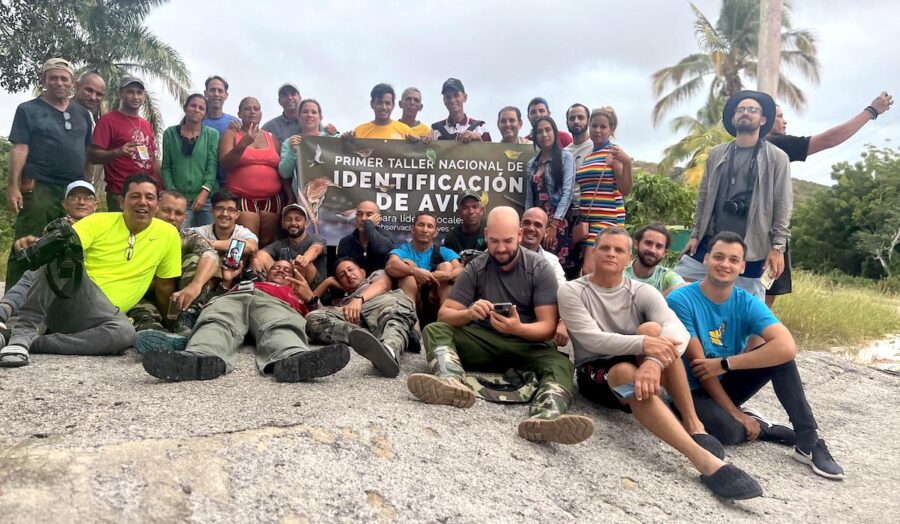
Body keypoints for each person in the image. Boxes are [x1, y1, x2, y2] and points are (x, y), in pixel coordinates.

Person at [558, 227, 762, 500]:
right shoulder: (572, 290)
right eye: (604, 248)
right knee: (628, 366)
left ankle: (694, 426)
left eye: (618, 250)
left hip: (640, 362)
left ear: (628, 256)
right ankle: (703, 460)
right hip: (596, 370)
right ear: (594, 252)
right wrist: (643, 346)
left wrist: (653, 360)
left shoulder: (641, 291)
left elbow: (677, 332)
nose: (610, 254)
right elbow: (591, 339)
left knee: (655, 329)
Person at [407, 207, 593, 444]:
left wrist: (517, 328)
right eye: (494, 241)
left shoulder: (539, 267)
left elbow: (547, 328)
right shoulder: (476, 266)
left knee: (561, 363)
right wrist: (469, 312)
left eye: (507, 240)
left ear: (519, 233)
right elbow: (445, 315)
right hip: (485, 342)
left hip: (527, 346)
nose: (501, 248)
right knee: (435, 330)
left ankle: (547, 417)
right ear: (486, 235)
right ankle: (451, 382)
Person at [667, 232, 845, 480]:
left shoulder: (747, 302)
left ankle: (808, 441)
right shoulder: (681, 299)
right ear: (706, 259)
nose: (725, 265)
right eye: (718, 257)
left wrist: (727, 363)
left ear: (742, 267)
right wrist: (735, 413)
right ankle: (761, 428)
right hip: (693, 389)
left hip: (724, 374)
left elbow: (786, 346)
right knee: (725, 431)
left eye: (733, 260)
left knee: (781, 357)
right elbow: (702, 369)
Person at [0, 174, 181, 367]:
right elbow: (60, 246)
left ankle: (25, 341)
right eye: (135, 196)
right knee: (60, 251)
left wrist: (170, 323)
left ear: (157, 204)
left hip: (105, 316)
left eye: (149, 197)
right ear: (121, 201)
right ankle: (22, 333)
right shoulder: (98, 222)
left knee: (124, 334)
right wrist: (40, 244)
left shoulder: (169, 235)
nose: (142, 202)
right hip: (71, 298)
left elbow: (164, 286)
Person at [764, 91, 894, 308]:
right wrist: (871, 111)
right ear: (764, 121)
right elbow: (829, 139)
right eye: (779, 116)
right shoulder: (776, 144)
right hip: (769, 237)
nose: (784, 120)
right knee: (760, 309)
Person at [139, 259, 351, 383]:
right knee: (217, 320)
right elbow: (215, 297)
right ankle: (200, 357)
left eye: (287, 270)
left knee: (281, 325)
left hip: (274, 305)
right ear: (266, 272)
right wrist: (228, 281)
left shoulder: (298, 293)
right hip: (234, 298)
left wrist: (311, 298)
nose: (281, 270)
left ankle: (292, 358)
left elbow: (319, 316)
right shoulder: (247, 282)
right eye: (276, 267)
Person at [674, 91, 790, 299]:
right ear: (734, 118)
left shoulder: (777, 158)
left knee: (745, 310)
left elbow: (782, 203)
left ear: (763, 119)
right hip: (711, 239)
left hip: (753, 246)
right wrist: (694, 235)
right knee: (678, 287)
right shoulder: (718, 153)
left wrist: (778, 247)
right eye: (741, 110)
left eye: (753, 110)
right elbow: (703, 196)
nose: (746, 113)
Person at [5, 58, 94, 292]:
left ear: (72, 82)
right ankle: (13, 305)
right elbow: (19, 148)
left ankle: (55, 301)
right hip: (40, 186)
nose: (58, 82)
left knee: (67, 244)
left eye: (63, 78)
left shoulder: (83, 114)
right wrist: (13, 187)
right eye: (52, 77)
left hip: (73, 189)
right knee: (28, 243)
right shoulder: (28, 109)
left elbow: (87, 153)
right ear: (44, 80)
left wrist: (87, 186)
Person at [0, 181, 99, 345]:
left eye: (87, 198)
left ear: (96, 205)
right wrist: (34, 246)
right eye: (74, 198)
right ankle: (5, 313)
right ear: (65, 204)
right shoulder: (55, 228)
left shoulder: (105, 226)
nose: (81, 202)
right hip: (57, 288)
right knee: (37, 271)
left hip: (88, 287)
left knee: (42, 272)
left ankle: (9, 320)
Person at [128, 191, 220, 336]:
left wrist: (195, 285)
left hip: (180, 297)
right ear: (156, 208)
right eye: (166, 210)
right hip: (144, 295)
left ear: (185, 217)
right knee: (144, 318)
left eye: (178, 213)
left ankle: (186, 320)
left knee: (196, 259)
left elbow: (211, 256)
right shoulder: (136, 236)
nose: (171, 217)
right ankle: (151, 330)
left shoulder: (188, 237)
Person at [306, 258, 417, 378]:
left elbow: (383, 285)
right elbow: (318, 312)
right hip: (354, 318)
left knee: (396, 308)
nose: (348, 275)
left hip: (382, 304)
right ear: (340, 284)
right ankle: (368, 338)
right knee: (313, 318)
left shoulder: (375, 276)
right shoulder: (342, 302)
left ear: (362, 272)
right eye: (342, 275)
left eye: (350, 269)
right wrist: (327, 282)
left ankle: (389, 351)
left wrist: (359, 299)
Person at [219, 96, 285, 247]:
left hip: (272, 199)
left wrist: (287, 194)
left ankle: (260, 270)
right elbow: (225, 164)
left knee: (267, 242)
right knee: (247, 241)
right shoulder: (231, 133)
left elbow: (282, 167)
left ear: (261, 114)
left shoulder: (271, 137)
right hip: (243, 197)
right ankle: (240, 270)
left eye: (256, 109)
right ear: (239, 113)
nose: (252, 112)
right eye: (247, 108)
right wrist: (243, 143)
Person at [576, 106, 633, 276]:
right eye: (594, 126)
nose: (597, 130)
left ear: (611, 129)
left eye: (603, 127)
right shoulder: (589, 155)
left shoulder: (613, 153)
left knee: (590, 269)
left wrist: (628, 163)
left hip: (606, 217)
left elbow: (625, 189)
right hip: (588, 220)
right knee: (593, 270)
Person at [90, 76, 160, 211]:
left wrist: (160, 188)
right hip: (120, 192)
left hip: (146, 192)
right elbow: (93, 156)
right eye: (130, 92)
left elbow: (153, 159)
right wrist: (118, 152)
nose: (135, 97)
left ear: (144, 96)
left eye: (139, 93)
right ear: (121, 93)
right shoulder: (108, 121)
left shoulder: (146, 124)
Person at [385, 212, 462, 316]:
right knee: (408, 266)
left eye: (430, 226)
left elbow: (462, 271)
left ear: (435, 232)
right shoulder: (404, 250)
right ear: (412, 229)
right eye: (421, 225)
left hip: (435, 298)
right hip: (413, 299)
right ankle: (414, 328)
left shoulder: (444, 251)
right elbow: (390, 265)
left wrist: (447, 275)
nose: (425, 230)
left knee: (447, 266)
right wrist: (414, 271)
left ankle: (446, 323)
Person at [525, 116, 576, 272]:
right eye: (539, 131)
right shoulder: (532, 163)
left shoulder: (565, 157)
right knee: (536, 265)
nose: (544, 135)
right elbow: (529, 197)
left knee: (557, 268)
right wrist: (527, 222)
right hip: (538, 224)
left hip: (558, 223)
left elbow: (568, 192)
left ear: (554, 132)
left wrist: (554, 225)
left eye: (548, 130)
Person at [161, 94, 218, 227]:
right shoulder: (170, 133)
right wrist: (174, 195)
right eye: (193, 105)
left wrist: (204, 193)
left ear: (205, 113)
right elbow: (166, 166)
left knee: (207, 239)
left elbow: (212, 164)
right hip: (178, 199)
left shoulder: (212, 134)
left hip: (206, 198)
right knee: (178, 236)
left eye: (201, 108)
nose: (197, 110)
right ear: (186, 107)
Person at [520, 207, 568, 348]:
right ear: (519, 227)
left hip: (537, 331)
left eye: (538, 225)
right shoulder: (500, 250)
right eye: (526, 223)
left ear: (546, 232)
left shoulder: (551, 262)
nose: (531, 228)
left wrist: (564, 322)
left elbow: (567, 295)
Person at [251, 204, 327, 288]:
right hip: (286, 284)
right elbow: (262, 254)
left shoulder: (316, 238)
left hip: (313, 289)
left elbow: (315, 249)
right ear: (283, 224)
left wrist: (305, 258)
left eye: (298, 219)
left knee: (301, 265)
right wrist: (255, 258)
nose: (293, 223)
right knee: (260, 257)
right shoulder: (280, 243)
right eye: (289, 219)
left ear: (306, 223)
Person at [278, 99, 339, 202]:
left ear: (320, 118)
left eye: (314, 112)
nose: (310, 115)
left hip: (332, 200)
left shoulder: (332, 138)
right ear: (298, 116)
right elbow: (284, 173)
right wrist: (293, 151)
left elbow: (349, 150)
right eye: (305, 112)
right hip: (303, 201)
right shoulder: (289, 142)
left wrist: (347, 137)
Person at [562, 103, 593, 279]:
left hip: (591, 213)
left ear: (588, 120)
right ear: (567, 122)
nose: (576, 121)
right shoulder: (564, 152)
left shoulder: (596, 147)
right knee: (570, 266)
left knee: (590, 268)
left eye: (580, 117)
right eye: (572, 118)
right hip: (569, 215)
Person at [187, 190, 260, 259]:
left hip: (233, 271)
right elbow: (182, 236)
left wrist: (211, 244)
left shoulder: (242, 232)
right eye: (219, 209)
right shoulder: (203, 231)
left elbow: (252, 247)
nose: (225, 214)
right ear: (212, 211)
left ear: (237, 214)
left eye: (231, 210)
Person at [201, 75, 241, 187]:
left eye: (220, 91)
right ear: (205, 93)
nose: (216, 94)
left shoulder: (236, 123)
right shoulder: (196, 121)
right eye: (212, 90)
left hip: (230, 184)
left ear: (226, 95)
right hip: (203, 184)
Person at [625, 223, 686, 296]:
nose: (652, 250)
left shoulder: (666, 277)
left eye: (659, 246)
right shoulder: (621, 272)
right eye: (648, 243)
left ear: (664, 253)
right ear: (636, 244)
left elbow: (684, 288)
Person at [336, 200, 394, 274]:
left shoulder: (386, 235)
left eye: (369, 215)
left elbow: (382, 249)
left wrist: (369, 225)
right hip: (355, 283)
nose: (363, 218)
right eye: (360, 214)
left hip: (381, 281)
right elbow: (341, 269)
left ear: (378, 218)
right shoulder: (346, 242)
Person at [431, 78, 491, 142]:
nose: (452, 100)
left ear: (464, 97)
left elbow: (491, 151)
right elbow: (427, 151)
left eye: (456, 95)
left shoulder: (480, 127)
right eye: (448, 97)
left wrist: (479, 139)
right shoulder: (435, 129)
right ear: (444, 101)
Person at [349, 83, 415, 140]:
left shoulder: (405, 131)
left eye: (387, 103)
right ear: (372, 104)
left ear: (393, 105)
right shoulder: (360, 131)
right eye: (379, 103)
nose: (384, 107)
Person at [442, 190, 486, 259]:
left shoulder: (492, 230)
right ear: (459, 213)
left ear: (482, 210)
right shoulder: (451, 238)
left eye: (474, 207)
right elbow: (451, 267)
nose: (471, 211)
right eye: (465, 208)